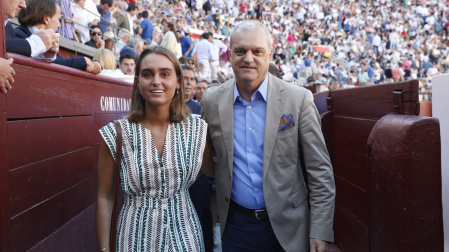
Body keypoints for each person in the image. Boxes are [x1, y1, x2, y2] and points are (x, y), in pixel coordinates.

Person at [201, 21, 335, 252]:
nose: (248, 58)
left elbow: (319, 170)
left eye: (257, 51)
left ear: (269, 54)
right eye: (240, 51)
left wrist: (320, 229)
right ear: (229, 54)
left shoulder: (298, 99)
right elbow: (209, 158)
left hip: (290, 226)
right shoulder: (212, 100)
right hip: (236, 227)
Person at [96, 45, 213, 252]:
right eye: (148, 74)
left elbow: (217, 174)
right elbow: (105, 197)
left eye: (165, 74)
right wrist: (104, 250)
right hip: (133, 239)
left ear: (178, 82)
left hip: (186, 237)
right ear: (138, 82)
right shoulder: (116, 133)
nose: (156, 81)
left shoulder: (198, 129)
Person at [14, 0, 100, 73]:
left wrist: (92, 63)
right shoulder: (18, 36)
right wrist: (83, 62)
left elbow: (58, 62)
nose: (59, 25)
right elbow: (41, 66)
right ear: (46, 19)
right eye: (58, 20)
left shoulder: (48, 41)